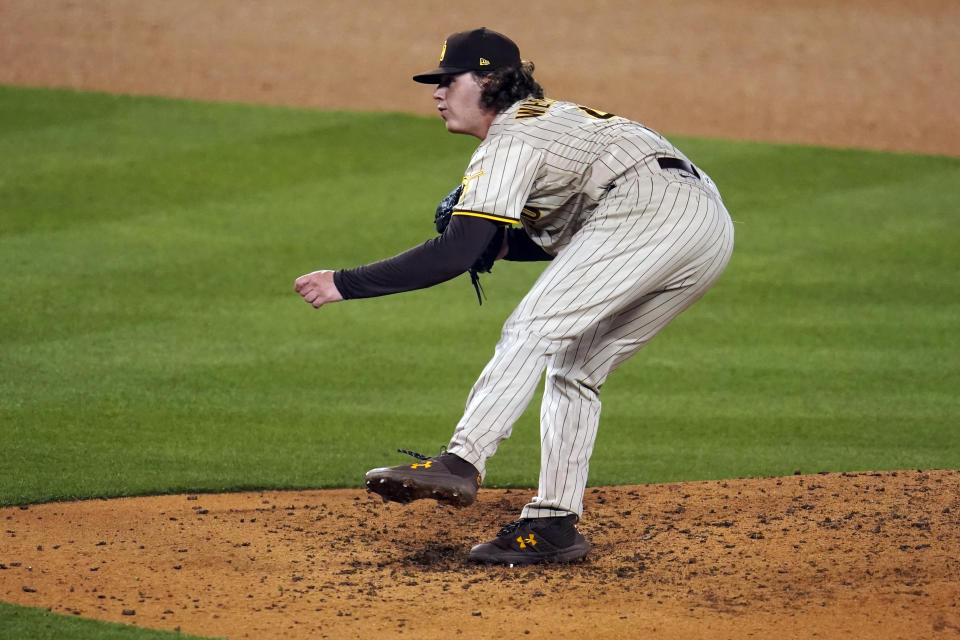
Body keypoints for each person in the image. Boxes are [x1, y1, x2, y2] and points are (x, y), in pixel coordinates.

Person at [294, 27, 734, 565]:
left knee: (532, 329)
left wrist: (343, 283)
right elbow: (577, 242)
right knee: (575, 366)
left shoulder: (512, 137)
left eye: (447, 81)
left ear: (490, 81)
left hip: (652, 210)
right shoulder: (550, 122)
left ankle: (461, 460)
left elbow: (456, 252)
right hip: (705, 227)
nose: (436, 93)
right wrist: (500, 245)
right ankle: (552, 525)